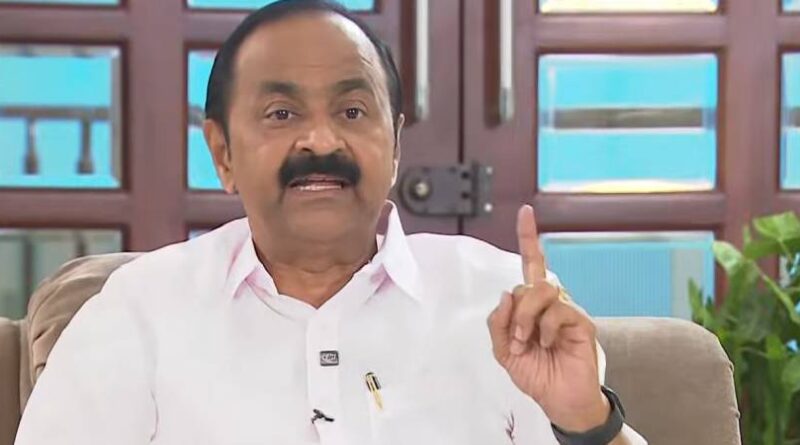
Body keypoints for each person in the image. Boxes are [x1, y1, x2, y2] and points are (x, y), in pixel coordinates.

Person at [15, 1, 646, 444]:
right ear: (222, 153)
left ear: (394, 145)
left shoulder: (502, 302)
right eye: (281, 113)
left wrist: (587, 422)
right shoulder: (140, 311)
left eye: (351, 111)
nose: (321, 140)